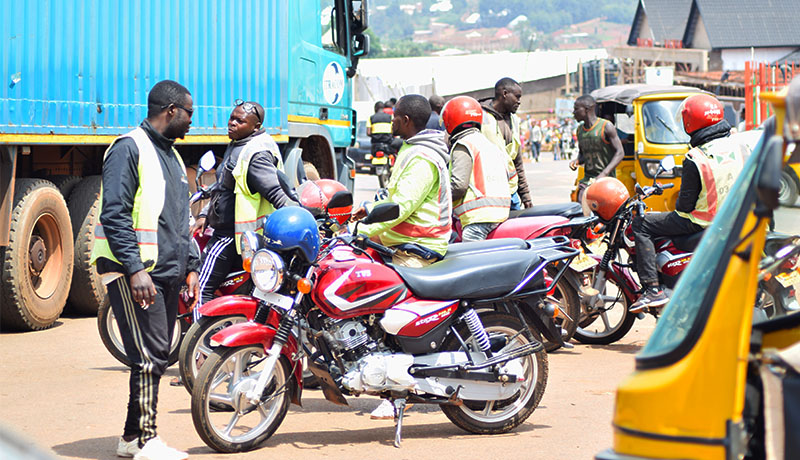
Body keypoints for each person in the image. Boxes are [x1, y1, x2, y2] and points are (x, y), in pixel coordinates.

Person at [90, 80, 199, 460]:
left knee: (152, 355)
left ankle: (130, 439)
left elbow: (179, 219)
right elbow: (114, 214)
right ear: (171, 110)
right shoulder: (129, 148)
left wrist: (191, 266)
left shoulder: (168, 154)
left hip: (165, 271)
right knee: (150, 354)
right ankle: (149, 441)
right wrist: (135, 269)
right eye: (189, 114)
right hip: (134, 273)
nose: (191, 122)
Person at [352, 94, 451, 420]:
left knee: (389, 317)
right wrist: (365, 212)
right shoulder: (411, 150)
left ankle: (397, 392)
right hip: (401, 242)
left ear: (406, 120)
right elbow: (393, 197)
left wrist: (366, 230)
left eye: (394, 118)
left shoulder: (421, 156)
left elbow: (402, 206)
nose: (389, 122)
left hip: (417, 249)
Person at [627, 93, 747, 311]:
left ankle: (652, 290)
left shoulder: (696, 157)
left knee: (641, 224)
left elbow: (684, 208)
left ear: (690, 122)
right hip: (741, 216)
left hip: (703, 221)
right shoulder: (741, 147)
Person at [191, 100, 298, 308]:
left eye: (239, 121)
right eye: (231, 118)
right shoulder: (239, 143)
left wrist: (300, 218)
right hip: (235, 235)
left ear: (255, 127)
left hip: (231, 235)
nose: (232, 123)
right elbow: (225, 187)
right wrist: (204, 213)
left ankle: (198, 339)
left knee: (201, 288)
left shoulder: (255, 153)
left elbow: (277, 192)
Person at [442, 96, 511, 241]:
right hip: (501, 212)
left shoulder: (464, 145)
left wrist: (439, 198)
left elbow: (459, 185)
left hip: (479, 217)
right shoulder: (488, 144)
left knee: (471, 259)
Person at [481, 77, 532, 210]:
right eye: (517, 97)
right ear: (504, 94)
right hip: (488, 193)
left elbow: (517, 161)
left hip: (511, 192)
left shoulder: (514, 121)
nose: (519, 102)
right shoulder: (481, 117)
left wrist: (525, 196)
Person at [569, 95, 625, 204]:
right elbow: (582, 154)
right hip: (588, 180)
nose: (573, 113)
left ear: (587, 109)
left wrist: (604, 173)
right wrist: (577, 161)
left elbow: (620, 152)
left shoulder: (606, 126)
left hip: (606, 180)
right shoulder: (580, 130)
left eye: (576, 109)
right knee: (581, 202)